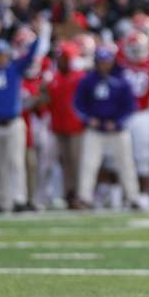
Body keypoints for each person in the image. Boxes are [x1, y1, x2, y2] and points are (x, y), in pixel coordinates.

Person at [73, 46, 143, 209]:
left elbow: (130, 107)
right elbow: (78, 104)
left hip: (117, 130)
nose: (104, 65)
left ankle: (133, 197)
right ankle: (84, 197)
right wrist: (88, 119)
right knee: (89, 164)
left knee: (126, 164)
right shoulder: (88, 80)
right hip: (95, 130)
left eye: (107, 61)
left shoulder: (122, 81)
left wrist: (117, 122)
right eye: (101, 61)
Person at [0, 16, 49, 213]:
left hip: (13, 123)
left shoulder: (14, 69)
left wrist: (39, 35)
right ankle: (2, 201)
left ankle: (19, 198)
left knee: (16, 162)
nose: (1, 57)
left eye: (3, 54)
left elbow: (31, 55)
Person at [120, 30, 149, 209]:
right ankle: (125, 194)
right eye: (134, 49)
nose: (137, 53)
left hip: (144, 114)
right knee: (123, 157)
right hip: (125, 114)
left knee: (144, 156)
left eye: (140, 49)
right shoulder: (120, 67)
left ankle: (145, 193)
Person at [45, 42, 87, 209]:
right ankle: (68, 193)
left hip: (76, 126)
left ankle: (79, 195)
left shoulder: (79, 77)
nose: (60, 60)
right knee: (64, 163)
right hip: (58, 126)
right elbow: (49, 102)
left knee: (77, 162)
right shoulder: (54, 78)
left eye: (63, 57)